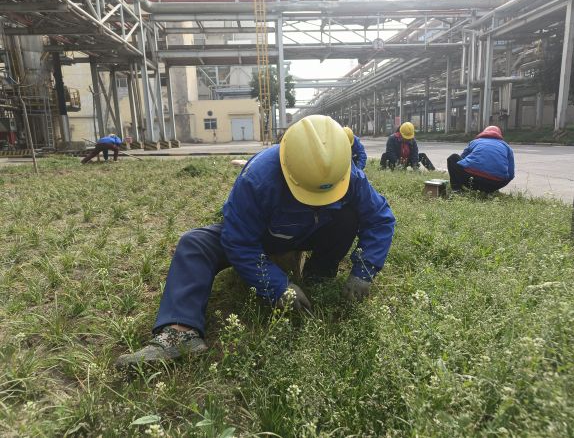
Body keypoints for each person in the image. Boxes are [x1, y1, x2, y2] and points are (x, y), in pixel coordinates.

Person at [116, 115, 396, 367]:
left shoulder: (347, 174)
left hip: (311, 231)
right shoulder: (258, 177)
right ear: (288, 170)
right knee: (195, 243)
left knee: (348, 216)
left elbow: (380, 219)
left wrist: (365, 270)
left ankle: (318, 276)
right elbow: (239, 242)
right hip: (261, 237)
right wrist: (277, 287)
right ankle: (180, 333)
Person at [446, 125, 515, 193]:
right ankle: (489, 191)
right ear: (499, 134)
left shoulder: (475, 142)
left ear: (484, 132)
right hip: (495, 185)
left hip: (471, 180)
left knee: (453, 158)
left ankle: (456, 189)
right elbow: (511, 174)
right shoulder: (507, 147)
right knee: (504, 176)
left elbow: (461, 159)